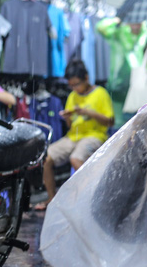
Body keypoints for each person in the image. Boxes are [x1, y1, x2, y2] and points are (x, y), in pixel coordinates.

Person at [35, 59, 114, 210]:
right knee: (45, 158)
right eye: (71, 85)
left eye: (76, 84)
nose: (74, 88)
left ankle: (94, 198)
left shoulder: (100, 93)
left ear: (86, 78)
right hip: (73, 137)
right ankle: (52, 200)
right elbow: (70, 126)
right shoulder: (72, 95)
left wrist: (86, 112)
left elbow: (110, 121)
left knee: (76, 159)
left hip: (95, 135)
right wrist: (68, 118)